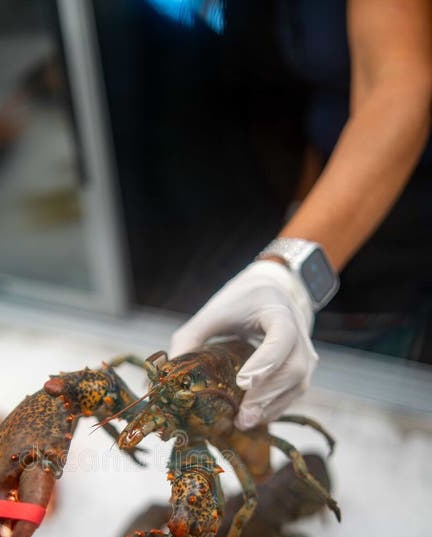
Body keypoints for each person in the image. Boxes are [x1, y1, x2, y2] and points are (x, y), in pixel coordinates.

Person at [169, 0, 432, 430]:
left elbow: (397, 84)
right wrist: (298, 214)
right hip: (319, 200)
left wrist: (285, 270)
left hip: (398, 234)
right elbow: (333, 104)